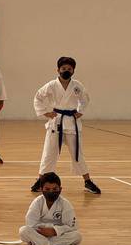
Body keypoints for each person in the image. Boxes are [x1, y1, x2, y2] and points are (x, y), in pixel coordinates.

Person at [31, 56, 101, 194]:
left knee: (78, 154)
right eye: (63, 69)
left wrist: (80, 111)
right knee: (48, 154)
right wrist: (45, 112)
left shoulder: (77, 86)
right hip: (56, 121)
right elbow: (38, 97)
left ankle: (87, 181)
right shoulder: (51, 85)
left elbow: (85, 99)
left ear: (73, 70)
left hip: (71, 123)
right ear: (58, 70)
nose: (66, 71)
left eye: (69, 69)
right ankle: (40, 181)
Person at [19, 172, 81, 245]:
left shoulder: (65, 204)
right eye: (47, 189)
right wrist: (44, 230)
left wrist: (54, 231)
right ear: (41, 189)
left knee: (77, 236)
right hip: (39, 233)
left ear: (60, 189)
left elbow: (72, 227)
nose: (51, 192)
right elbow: (30, 224)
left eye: (55, 189)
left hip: (56, 236)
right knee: (23, 231)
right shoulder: (37, 203)